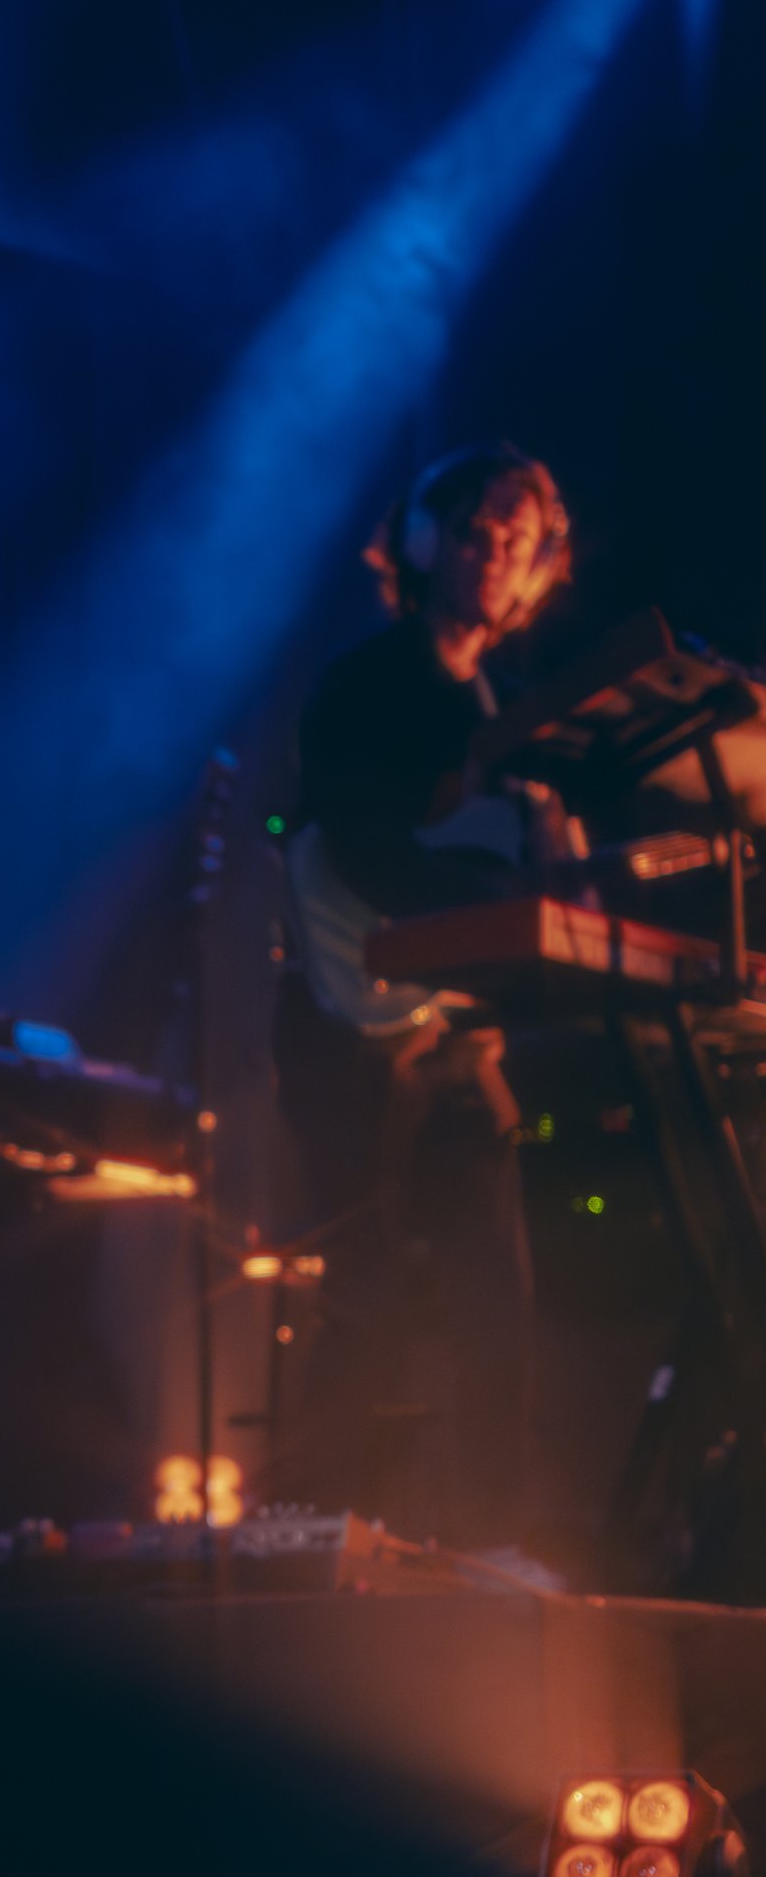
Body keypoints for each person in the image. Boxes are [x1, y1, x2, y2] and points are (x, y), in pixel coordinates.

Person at [274, 442, 575, 1550]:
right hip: (348, 1026)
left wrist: (549, 873)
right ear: (423, 541)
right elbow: (353, 847)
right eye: (479, 531)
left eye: (519, 540)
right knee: (364, 1284)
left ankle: (491, 1546)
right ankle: (330, 1541)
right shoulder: (367, 681)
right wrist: (484, 908)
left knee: (498, 1296)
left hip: (452, 1034)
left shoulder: (503, 712)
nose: (497, 555)